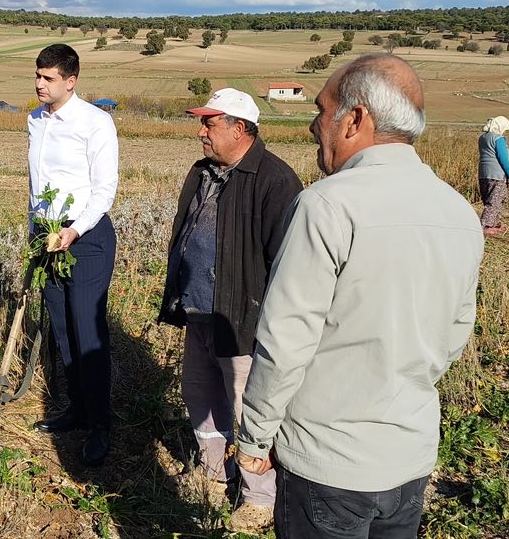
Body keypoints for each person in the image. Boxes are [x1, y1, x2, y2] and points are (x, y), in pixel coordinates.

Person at [235, 54, 484, 538]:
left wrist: (257, 435)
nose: (313, 125)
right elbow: (455, 335)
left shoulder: (326, 206)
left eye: (322, 109)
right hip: (408, 460)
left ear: (354, 119)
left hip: (327, 464)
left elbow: (286, 341)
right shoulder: (458, 212)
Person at [157, 87, 302, 531]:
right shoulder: (204, 171)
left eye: (210, 123)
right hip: (200, 308)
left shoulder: (275, 181)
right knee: (200, 397)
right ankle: (213, 471)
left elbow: (288, 263)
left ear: (240, 129)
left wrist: (271, 324)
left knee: (247, 408)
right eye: (202, 122)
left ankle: (259, 495)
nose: (201, 131)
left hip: (243, 319)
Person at [27, 43, 119, 468]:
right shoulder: (34, 120)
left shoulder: (95, 123)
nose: (39, 84)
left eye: (48, 78)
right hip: (46, 237)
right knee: (63, 328)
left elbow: (104, 191)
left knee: (88, 331)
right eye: (38, 76)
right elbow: (37, 183)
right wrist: (37, 228)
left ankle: (101, 424)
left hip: (87, 238)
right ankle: (77, 409)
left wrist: (74, 229)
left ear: (71, 80)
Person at [478, 115, 509, 236]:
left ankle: (494, 224)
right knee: (495, 201)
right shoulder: (499, 139)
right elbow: (503, 159)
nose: (505, 132)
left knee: (491, 199)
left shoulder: (482, 138)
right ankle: (483, 227)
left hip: (483, 173)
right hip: (497, 174)